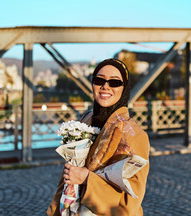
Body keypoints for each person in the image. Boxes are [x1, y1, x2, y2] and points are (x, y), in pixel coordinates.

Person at [47, 58, 150, 216]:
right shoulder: (86, 120)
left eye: (114, 82)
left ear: (125, 88)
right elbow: (69, 175)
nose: (105, 86)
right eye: (99, 80)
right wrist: (55, 210)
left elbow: (130, 204)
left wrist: (87, 179)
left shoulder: (135, 136)